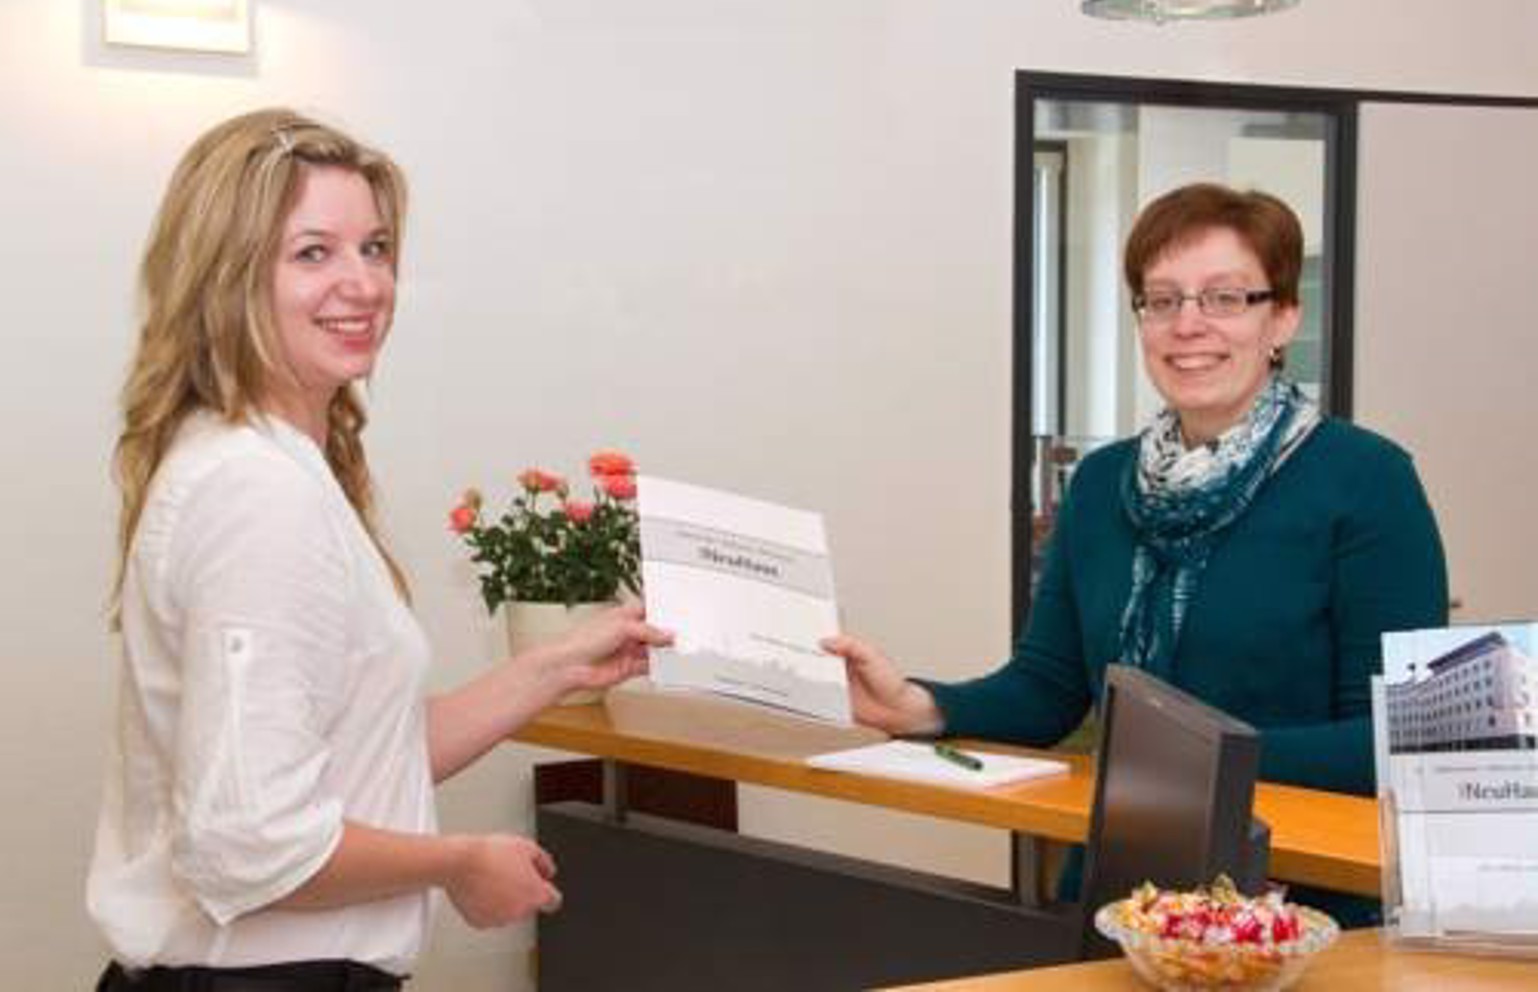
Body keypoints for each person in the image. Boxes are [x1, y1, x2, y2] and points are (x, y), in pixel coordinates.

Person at [87, 108, 672, 991]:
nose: (363, 284)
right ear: (226, 278)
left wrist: (556, 668)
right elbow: (249, 844)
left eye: (376, 248)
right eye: (312, 253)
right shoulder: (257, 493)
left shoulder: (272, 464)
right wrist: (457, 863)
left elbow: (363, 758)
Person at [826, 182, 1447, 922]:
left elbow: (1393, 738)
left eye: (1224, 298)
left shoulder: (1368, 480)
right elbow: (1047, 688)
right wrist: (918, 706)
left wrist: (1190, 763)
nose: (1188, 324)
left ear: (1283, 317)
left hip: (1297, 907)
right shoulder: (1102, 484)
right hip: (1122, 884)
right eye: (1161, 299)